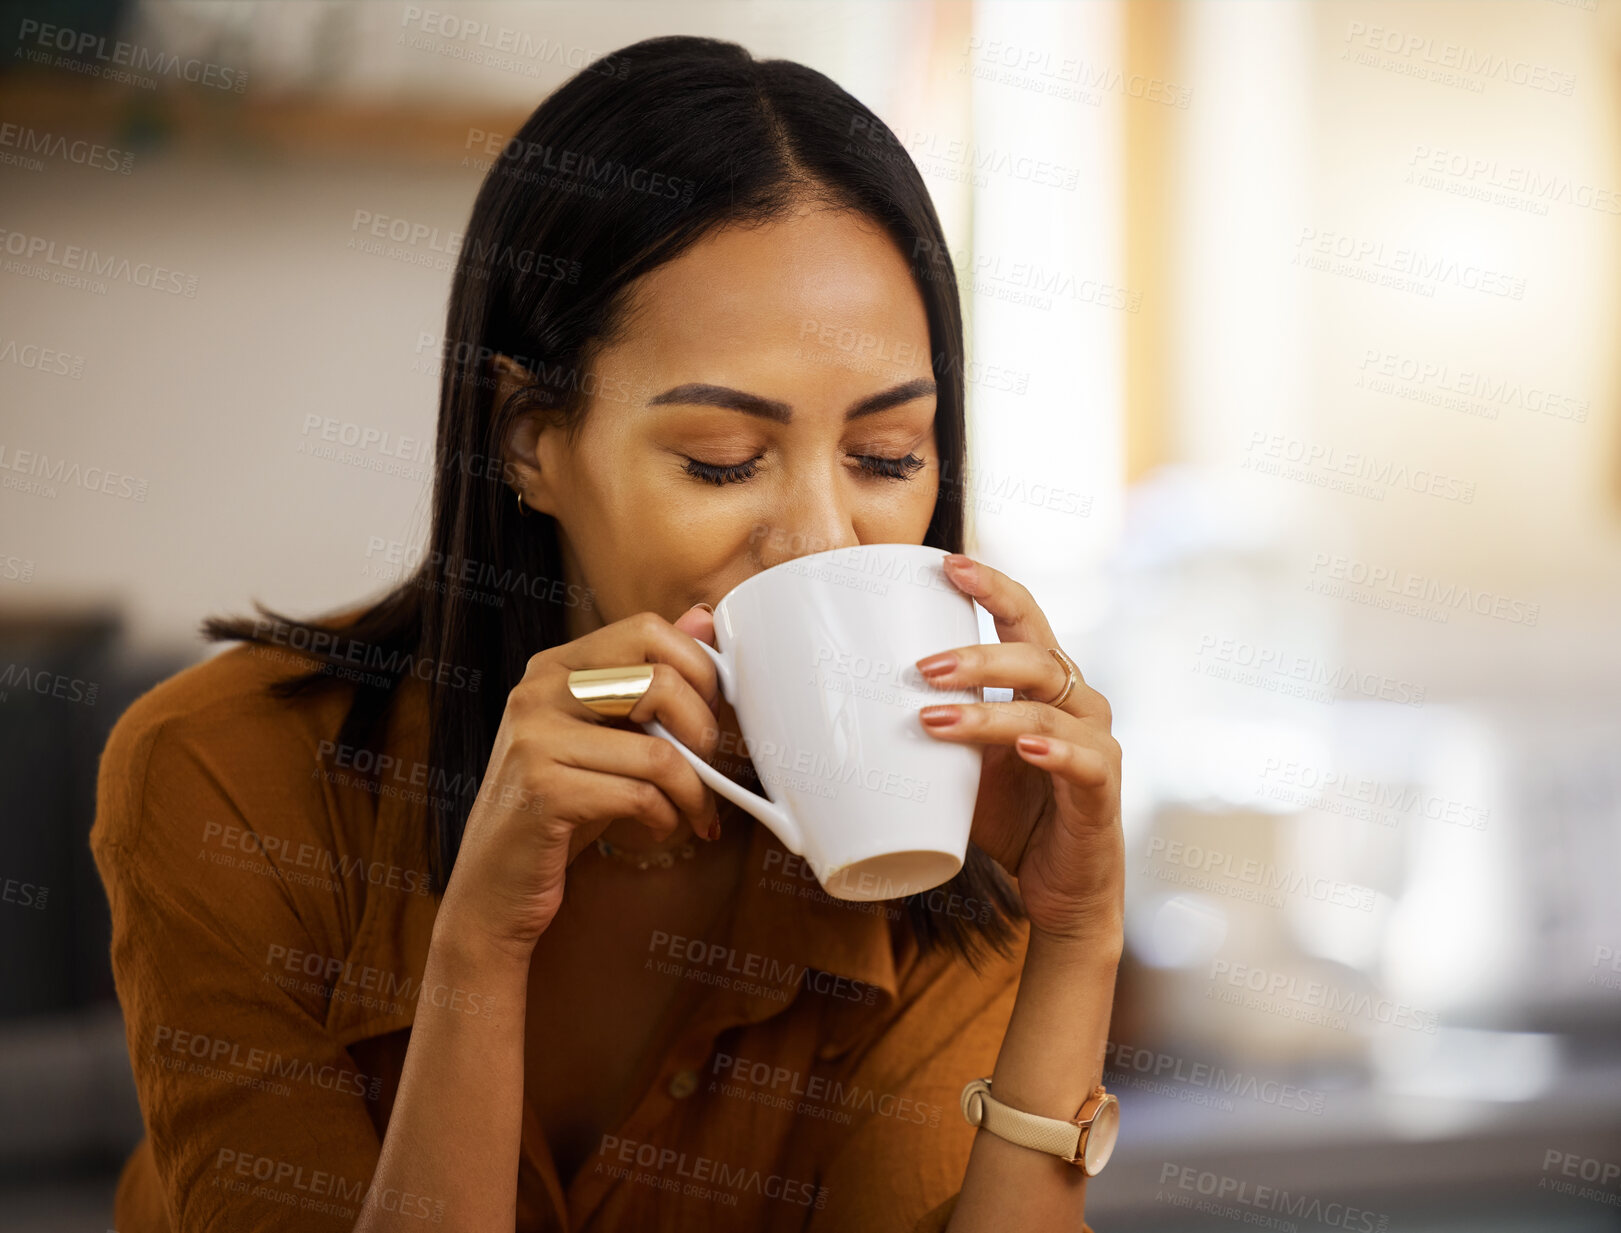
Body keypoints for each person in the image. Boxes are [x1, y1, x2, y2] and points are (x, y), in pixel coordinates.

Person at [90, 34, 1124, 1233]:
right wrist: (479, 948)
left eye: (888, 457)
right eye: (723, 460)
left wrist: (1075, 931)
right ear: (531, 440)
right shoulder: (225, 775)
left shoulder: (951, 808)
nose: (823, 539)